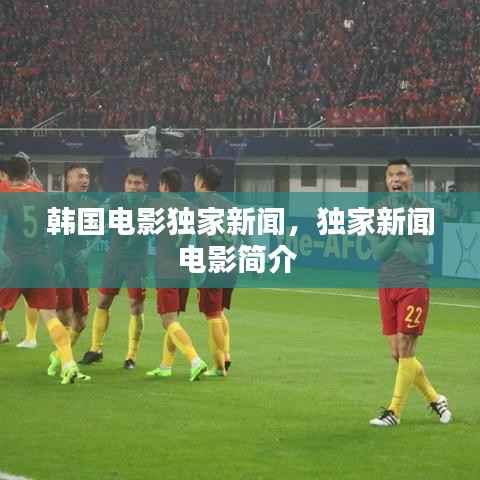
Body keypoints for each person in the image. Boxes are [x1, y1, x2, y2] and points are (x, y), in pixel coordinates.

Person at [368, 158, 452, 427]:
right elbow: (379, 252)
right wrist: (399, 232)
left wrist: (393, 238)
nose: (396, 179)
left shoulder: (421, 210)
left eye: (401, 174)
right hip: (387, 283)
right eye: (391, 175)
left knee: (406, 344)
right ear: (386, 181)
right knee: (398, 353)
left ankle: (394, 411)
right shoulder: (377, 211)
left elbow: (418, 255)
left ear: (410, 179)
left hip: (414, 282)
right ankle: (435, 399)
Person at [0, 153, 90, 384]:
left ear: (6, 175)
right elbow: (56, 231)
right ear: (29, 173)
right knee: (50, 316)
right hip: (41, 263)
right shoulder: (43, 196)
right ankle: (68, 364)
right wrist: (56, 260)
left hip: (13, 262)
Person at [79, 168, 150, 369]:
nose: (133, 187)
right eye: (130, 182)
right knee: (103, 302)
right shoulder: (116, 201)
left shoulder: (151, 206)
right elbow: (102, 219)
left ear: (145, 186)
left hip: (137, 262)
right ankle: (95, 349)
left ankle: (131, 357)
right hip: (114, 259)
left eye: (137, 183)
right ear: (124, 184)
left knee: (136, 306)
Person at [146, 167, 207, 381]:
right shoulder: (191, 208)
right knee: (174, 320)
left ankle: (195, 360)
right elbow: (204, 239)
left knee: (168, 321)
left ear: (163, 185)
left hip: (166, 271)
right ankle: (165, 366)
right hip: (184, 272)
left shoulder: (156, 205)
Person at [48, 164, 92, 377]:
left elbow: (95, 235)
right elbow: (52, 234)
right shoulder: (57, 203)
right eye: (80, 176)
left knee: (81, 321)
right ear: (68, 180)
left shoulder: (89, 205)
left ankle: (58, 357)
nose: (85, 180)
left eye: (87, 176)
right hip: (61, 265)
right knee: (64, 315)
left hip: (79, 268)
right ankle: (68, 364)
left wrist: (87, 250)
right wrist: (55, 261)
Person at [194, 164, 234, 377]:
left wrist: (202, 266)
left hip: (213, 263)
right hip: (230, 262)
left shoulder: (201, 205)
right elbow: (244, 232)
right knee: (219, 311)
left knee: (212, 315)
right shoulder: (228, 204)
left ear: (201, 183)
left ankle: (219, 365)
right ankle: (225, 355)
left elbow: (204, 239)